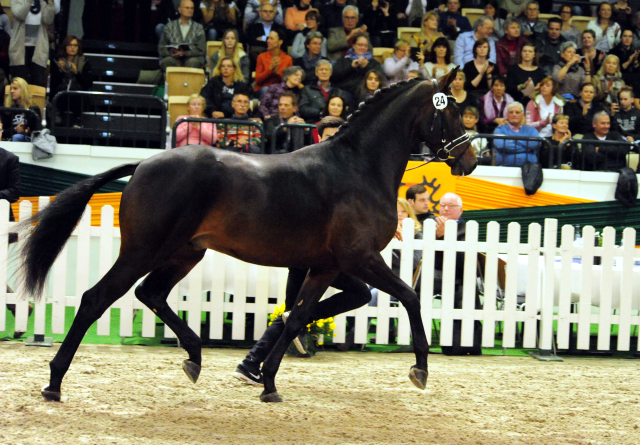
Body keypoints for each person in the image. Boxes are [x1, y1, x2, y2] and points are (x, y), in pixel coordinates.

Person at [232, 120, 371, 386]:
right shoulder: (313, 167)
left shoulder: (339, 171)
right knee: (357, 293)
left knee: (295, 312)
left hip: (310, 254)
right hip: (306, 255)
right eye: (329, 137)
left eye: (338, 137)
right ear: (320, 138)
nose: (334, 143)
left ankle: (250, 364)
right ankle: (254, 360)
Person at [9, 0, 55, 87]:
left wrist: (51, 4)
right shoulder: (17, 1)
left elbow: (48, 20)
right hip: (20, 48)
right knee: (20, 82)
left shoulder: (42, 3)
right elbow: (20, 14)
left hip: (38, 48)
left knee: (37, 81)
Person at [50, 35, 93, 127]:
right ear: (65, 47)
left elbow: (88, 83)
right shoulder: (57, 60)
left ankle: (77, 120)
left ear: (78, 47)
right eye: (69, 45)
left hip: (77, 91)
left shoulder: (84, 61)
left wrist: (77, 73)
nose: (72, 48)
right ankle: (58, 118)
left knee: (78, 95)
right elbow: (53, 83)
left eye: (75, 45)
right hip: (62, 91)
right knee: (59, 94)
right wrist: (60, 71)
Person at [158, 0, 207, 71]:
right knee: (167, 61)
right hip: (174, 58)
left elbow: (201, 50)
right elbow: (162, 48)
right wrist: (172, 53)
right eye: (187, 8)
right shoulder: (170, 26)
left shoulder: (199, 27)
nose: (190, 10)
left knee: (193, 62)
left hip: (192, 58)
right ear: (180, 10)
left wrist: (185, 53)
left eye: (192, 8)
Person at [332, 34, 382, 99]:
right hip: (346, 92)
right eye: (360, 45)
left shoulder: (373, 62)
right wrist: (351, 67)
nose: (363, 48)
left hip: (366, 93)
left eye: (365, 46)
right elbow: (334, 77)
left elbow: (380, 78)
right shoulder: (344, 60)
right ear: (353, 45)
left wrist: (366, 67)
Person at [493, 101, 541, 166]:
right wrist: (527, 147)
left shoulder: (531, 130)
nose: (514, 114)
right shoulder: (499, 130)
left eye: (517, 112)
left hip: (529, 169)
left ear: (523, 115)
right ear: (507, 115)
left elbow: (535, 143)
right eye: (511, 112)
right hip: (505, 167)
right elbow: (502, 145)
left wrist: (512, 140)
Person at [245, 1, 287, 67]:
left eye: (271, 11)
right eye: (265, 11)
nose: (268, 13)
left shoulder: (280, 28)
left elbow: (282, 45)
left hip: (276, 61)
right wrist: (273, 43)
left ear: (274, 14)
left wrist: (264, 38)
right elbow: (252, 43)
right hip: (257, 61)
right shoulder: (253, 27)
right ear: (260, 13)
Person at [254, 29, 293, 96]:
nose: (268, 40)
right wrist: (270, 69)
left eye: (271, 39)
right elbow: (258, 80)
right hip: (263, 89)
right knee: (266, 89)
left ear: (280, 42)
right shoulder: (261, 57)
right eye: (268, 38)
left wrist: (277, 73)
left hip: (281, 90)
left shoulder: (288, 59)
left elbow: (288, 82)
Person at [505, 42, 545, 106]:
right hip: (515, 103)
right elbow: (508, 88)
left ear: (534, 54)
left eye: (530, 51)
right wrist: (522, 86)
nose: (527, 53)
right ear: (521, 53)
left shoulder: (540, 71)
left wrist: (539, 87)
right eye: (524, 51)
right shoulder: (513, 69)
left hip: (534, 104)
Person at [3, 77, 40, 142]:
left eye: (15, 88)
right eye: (11, 89)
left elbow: (38, 132)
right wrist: (15, 129)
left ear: (23, 90)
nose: (12, 91)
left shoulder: (34, 110)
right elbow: (3, 132)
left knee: (18, 137)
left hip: (28, 141)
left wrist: (27, 131)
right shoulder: (7, 109)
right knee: (17, 137)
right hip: (9, 140)